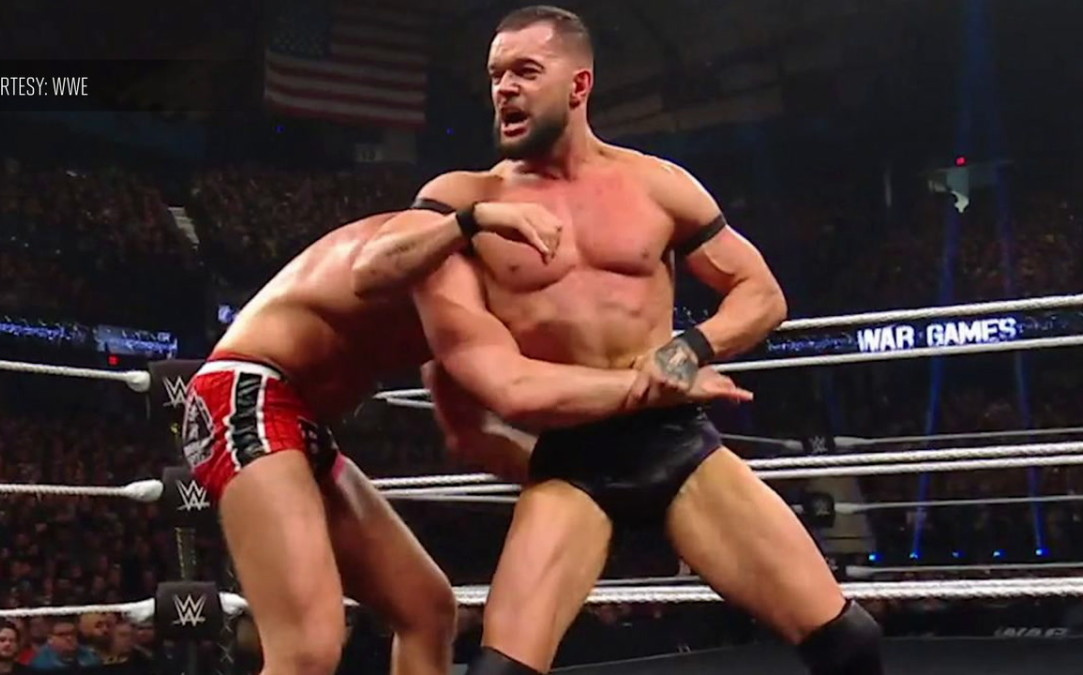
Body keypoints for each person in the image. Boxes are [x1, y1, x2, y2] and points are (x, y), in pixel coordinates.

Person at [353, 6, 882, 675]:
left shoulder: (656, 184)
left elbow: (762, 294)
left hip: (674, 444)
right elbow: (377, 276)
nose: (504, 88)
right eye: (495, 75)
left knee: (849, 642)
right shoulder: (465, 196)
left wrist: (687, 351)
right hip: (573, 458)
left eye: (525, 71)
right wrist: (469, 221)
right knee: (500, 671)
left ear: (579, 85)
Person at [183, 213, 747, 675]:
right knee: (306, 652)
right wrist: (470, 219)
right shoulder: (427, 241)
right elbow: (370, 270)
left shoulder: (457, 315)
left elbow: (472, 435)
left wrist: (594, 487)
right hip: (246, 392)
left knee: (427, 610)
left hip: (302, 426)